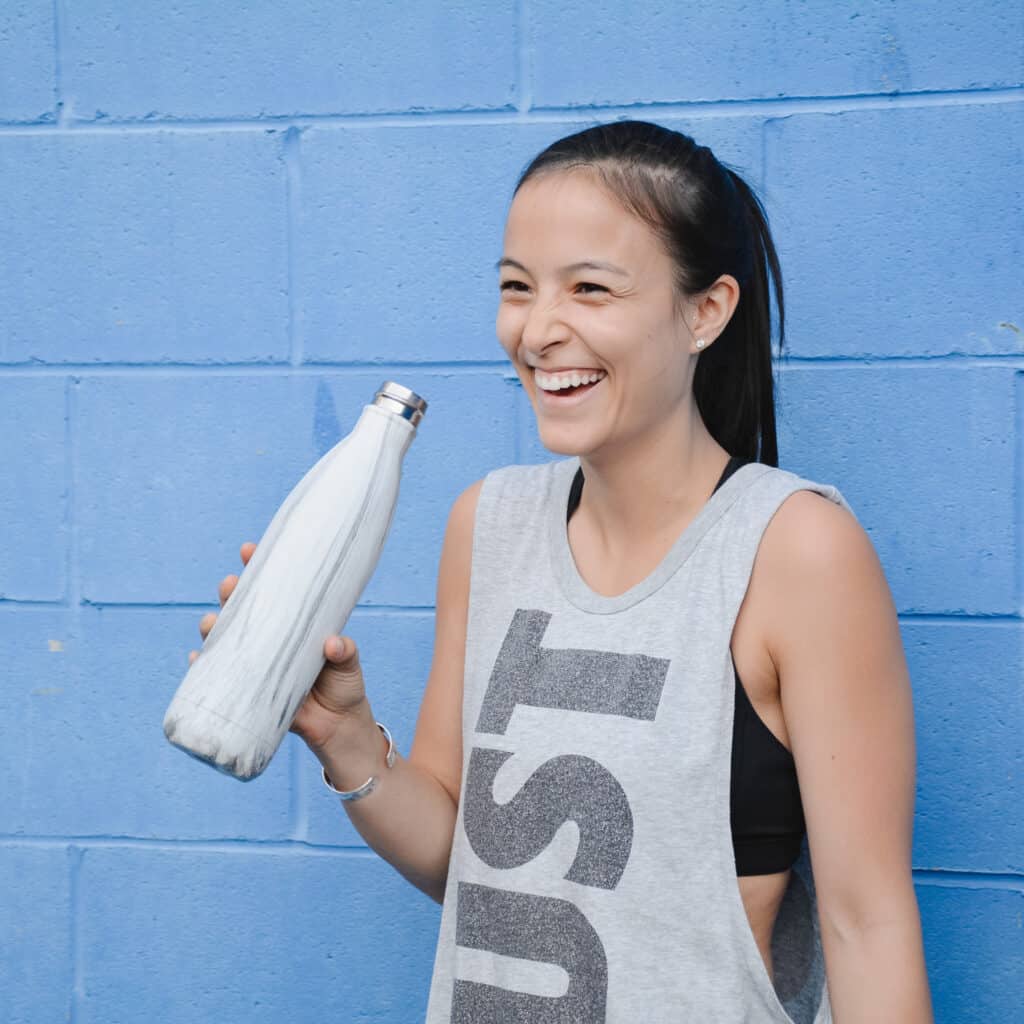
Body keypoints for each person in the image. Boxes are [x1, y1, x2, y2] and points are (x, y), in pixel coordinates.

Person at [191, 121, 933, 1022]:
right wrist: (344, 734)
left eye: (589, 288)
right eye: (517, 288)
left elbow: (868, 926)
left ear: (707, 310)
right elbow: (461, 861)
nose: (539, 331)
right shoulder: (488, 524)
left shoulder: (794, 550)